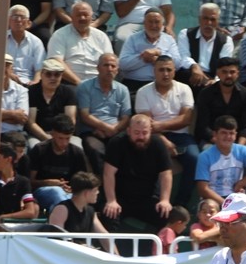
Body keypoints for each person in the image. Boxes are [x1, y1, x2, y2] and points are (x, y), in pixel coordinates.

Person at [134, 54, 198, 207]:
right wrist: (164, 142)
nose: (166, 74)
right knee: (153, 156)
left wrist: (160, 125)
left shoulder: (184, 89)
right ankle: (153, 201)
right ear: (154, 71)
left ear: (174, 71)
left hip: (181, 135)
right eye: (161, 70)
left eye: (169, 70)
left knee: (195, 158)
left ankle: (181, 203)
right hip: (153, 136)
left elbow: (186, 119)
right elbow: (146, 125)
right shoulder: (143, 92)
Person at [101, 113, 173, 243]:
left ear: (151, 131)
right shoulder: (117, 143)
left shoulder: (158, 144)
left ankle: (158, 253)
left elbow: (166, 174)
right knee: (108, 214)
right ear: (128, 131)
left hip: (147, 197)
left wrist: (165, 200)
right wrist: (111, 200)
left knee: (166, 214)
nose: (140, 137)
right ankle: (111, 255)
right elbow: (108, 173)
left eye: (144, 133)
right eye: (136, 133)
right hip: (120, 197)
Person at [195, 114, 246, 206]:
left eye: (231, 133)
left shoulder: (241, 150)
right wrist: (226, 204)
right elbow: (203, 189)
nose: (228, 137)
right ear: (215, 134)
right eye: (224, 133)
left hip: (235, 198)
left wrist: (241, 183)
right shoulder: (205, 156)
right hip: (213, 201)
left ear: (235, 135)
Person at [118, 8, 186, 96]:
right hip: (135, 84)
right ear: (144, 23)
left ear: (163, 25)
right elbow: (123, 64)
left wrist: (159, 56)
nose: (153, 25)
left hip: (162, 84)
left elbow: (177, 63)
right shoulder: (132, 39)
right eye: (150, 22)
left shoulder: (169, 40)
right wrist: (143, 58)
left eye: (157, 22)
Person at [76, 52, 130, 162]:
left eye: (113, 66)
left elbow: (126, 117)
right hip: (92, 132)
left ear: (117, 70)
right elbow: (85, 116)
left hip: (116, 131)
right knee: (96, 150)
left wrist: (114, 129)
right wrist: (106, 128)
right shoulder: (84, 87)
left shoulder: (123, 89)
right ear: (98, 68)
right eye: (106, 65)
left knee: (126, 148)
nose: (109, 69)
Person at [193, 56, 246, 145]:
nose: (228, 76)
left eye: (232, 72)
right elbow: (203, 126)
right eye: (224, 72)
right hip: (212, 140)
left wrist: (239, 147)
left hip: (238, 141)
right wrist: (221, 143)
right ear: (218, 73)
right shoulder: (206, 94)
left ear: (238, 73)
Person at [177, 3, 234, 92]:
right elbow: (183, 56)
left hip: (212, 80)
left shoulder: (226, 41)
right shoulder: (186, 34)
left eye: (212, 19)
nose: (208, 23)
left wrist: (215, 81)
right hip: (190, 75)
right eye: (205, 18)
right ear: (199, 19)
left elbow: (224, 65)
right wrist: (194, 66)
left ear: (218, 22)